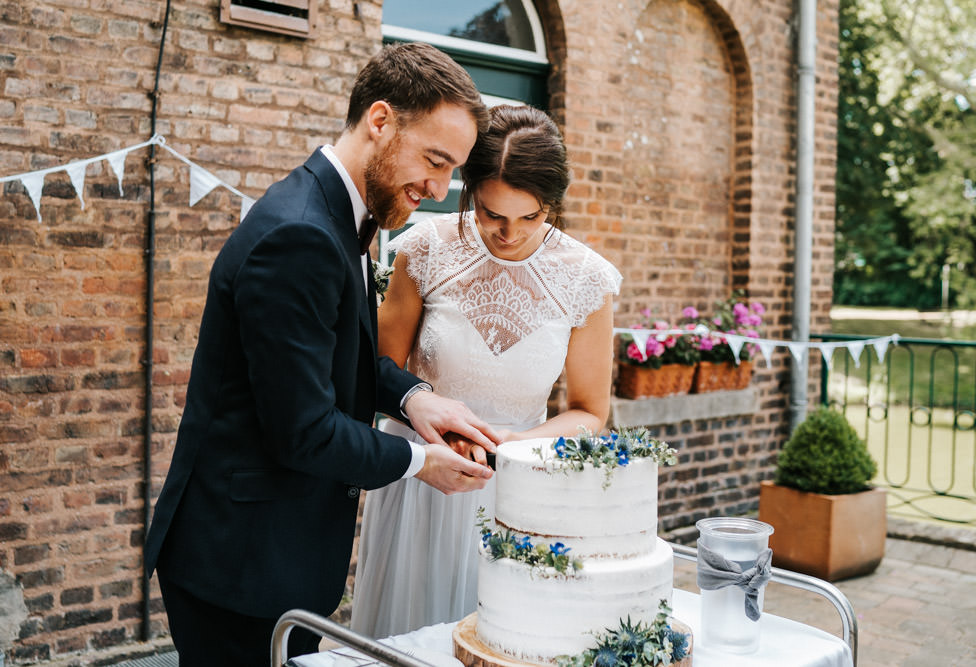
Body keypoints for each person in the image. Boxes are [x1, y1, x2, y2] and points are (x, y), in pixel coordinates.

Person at [143, 42, 502, 666]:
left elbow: (340, 359)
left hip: (276, 555)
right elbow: (304, 431)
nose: (442, 189)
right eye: (435, 161)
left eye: (454, 172)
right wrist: (421, 462)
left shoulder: (345, 216)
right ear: (381, 121)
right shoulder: (301, 235)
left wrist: (417, 399)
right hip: (240, 563)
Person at [350, 104, 623, 638]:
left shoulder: (586, 279)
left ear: (552, 205)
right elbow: (377, 370)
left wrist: (517, 441)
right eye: (492, 214)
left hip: (516, 492)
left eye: (531, 216)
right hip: (419, 485)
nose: (509, 234)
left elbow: (591, 413)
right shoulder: (426, 249)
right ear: (469, 190)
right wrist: (430, 420)